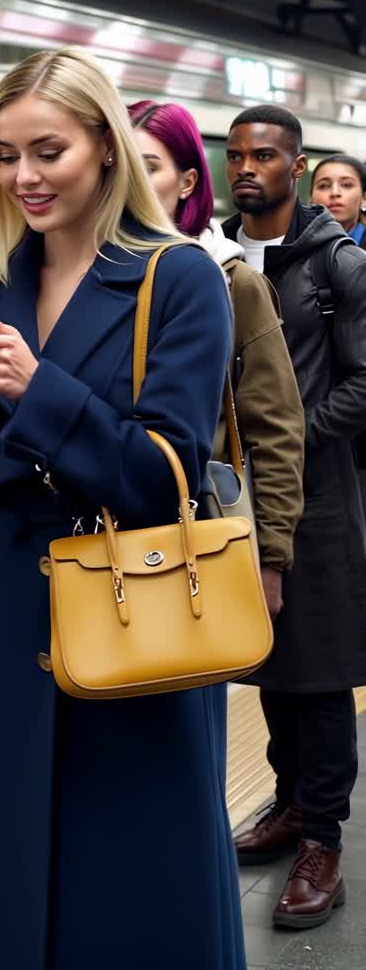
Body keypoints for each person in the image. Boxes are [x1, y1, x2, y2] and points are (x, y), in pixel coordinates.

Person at [0, 47, 243, 970]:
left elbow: (163, 476)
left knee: (131, 909)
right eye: (7, 157)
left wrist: (35, 388)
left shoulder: (179, 280)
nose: (24, 178)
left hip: (126, 628)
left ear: (103, 145)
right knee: (17, 912)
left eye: (47, 151)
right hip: (4, 634)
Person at [222, 103, 366, 930]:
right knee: (269, 661)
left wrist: (289, 435)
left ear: (296, 165)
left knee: (317, 674)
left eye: (265, 156)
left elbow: (363, 381)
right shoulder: (212, 257)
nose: (247, 169)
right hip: (236, 498)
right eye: (237, 155)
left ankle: (325, 841)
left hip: (316, 496)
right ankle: (285, 803)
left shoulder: (335, 265)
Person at [130, 100, 304, 615]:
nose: (130, 185)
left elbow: (275, 427)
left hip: (199, 528)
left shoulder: (230, 280)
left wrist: (270, 558)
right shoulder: (78, 274)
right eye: (118, 165)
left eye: (150, 167)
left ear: (187, 183)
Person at [310, 153, 366, 248]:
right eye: (323, 186)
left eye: (346, 185)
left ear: (364, 199)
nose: (334, 192)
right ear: (311, 198)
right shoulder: (292, 243)